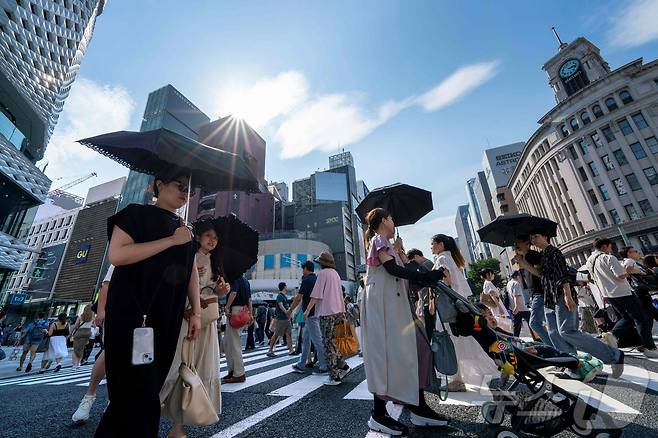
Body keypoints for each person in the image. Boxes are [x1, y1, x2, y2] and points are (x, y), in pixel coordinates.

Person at [94, 168, 200, 438]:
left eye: (189, 189)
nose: (185, 193)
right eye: (180, 185)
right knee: (134, 391)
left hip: (168, 316)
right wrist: (171, 241)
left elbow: (192, 272)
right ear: (159, 184)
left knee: (148, 388)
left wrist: (196, 311)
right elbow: (118, 255)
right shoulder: (135, 214)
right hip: (132, 313)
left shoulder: (186, 230)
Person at [362, 209, 448, 436]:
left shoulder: (388, 245)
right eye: (391, 217)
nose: (394, 221)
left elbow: (402, 277)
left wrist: (401, 253)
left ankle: (418, 406)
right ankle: (379, 414)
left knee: (419, 350)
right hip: (383, 306)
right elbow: (392, 270)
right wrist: (425, 276)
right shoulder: (378, 240)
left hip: (397, 307)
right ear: (383, 221)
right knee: (386, 357)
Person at [161, 222, 230, 437]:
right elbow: (172, 282)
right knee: (176, 364)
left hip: (207, 322)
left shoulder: (216, 263)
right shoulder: (188, 254)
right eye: (208, 236)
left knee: (196, 368)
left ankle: (178, 427)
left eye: (216, 238)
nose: (212, 240)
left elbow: (214, 293)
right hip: (187, 317)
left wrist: (221, 291)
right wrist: (190, 276)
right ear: (198, 236)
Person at [530, 230, 624, 378]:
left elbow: (563, 275)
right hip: (549, 298)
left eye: (536, 236)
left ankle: (613, 355)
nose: (533, 240)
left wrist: (568, 295)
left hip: (561, 295)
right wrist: (523, 263)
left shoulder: (555, 252)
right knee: (554, 333)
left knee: (567, 331)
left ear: (545, 236)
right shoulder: (544, 256)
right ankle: (572, 365)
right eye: (531, 238)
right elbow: (543, 276)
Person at [431, 234, 499, 392]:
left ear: (440, 244)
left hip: (449, 308)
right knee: (465, 341)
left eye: (433, 244)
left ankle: (457, 380)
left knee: (452, 342)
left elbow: (446, 282)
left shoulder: (442, 259)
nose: (431, 247)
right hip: (459, 307)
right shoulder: (451, 258)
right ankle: (462, 377)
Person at [586, 238, 658, 358]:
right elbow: (620, 275)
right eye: (610, 247)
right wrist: (631, 271)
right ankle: (649, 347)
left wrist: (603, 295)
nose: (611, 249)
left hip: (609, 294)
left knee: (628, 318)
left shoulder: (590, 261)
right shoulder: (609, 258)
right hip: (622, 292)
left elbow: (594, 279)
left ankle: (612, 334)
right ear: (604, 246)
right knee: (641, 318)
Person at [72, 265, 113, 424]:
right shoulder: (128, 243)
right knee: (109, 352)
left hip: (144, 311)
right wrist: (101, 311)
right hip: (118, 309)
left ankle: (113, 400)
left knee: (134, 358)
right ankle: (89, 396)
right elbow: (106, 284)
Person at [304, 251, 350, 386]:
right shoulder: (335, 274)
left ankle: (334, 377)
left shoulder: (323, 274)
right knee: (330, 341)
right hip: (336, 311)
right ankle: (343, 365)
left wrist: (307, 310)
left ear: (322, 263)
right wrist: (342, 311)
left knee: (327, 343)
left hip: (326, 312)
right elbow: (340, 294)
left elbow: (316, 295)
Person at [289, 260, 327, 374]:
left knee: (317, 340)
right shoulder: (316, 279)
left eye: (303, 269)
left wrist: (290, 309)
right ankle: (301, 364)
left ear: (305, 268)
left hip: (310, 314)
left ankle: (324, 365)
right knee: (305, 339)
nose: (302, 271)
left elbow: (298, 297)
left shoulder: (306, 280)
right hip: (316, 312)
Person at [514, 235, 552, 345]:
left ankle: (552, 346)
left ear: (527, 243)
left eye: (518, 243)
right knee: (548, 323)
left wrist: (523, 264)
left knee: (534, 323)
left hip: (540, 293)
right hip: (535, 294)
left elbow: (540, 273)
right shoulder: (525, 258)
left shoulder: (533, 255)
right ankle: (556, 345)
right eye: (515, 244)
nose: (516, 246)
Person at [223, 275, 253, 383]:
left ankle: (239, 373)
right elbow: (249, 299)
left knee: (233, 343)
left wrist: (227, 306)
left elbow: (233, 293)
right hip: (243, 311)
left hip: (235, 311)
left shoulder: (234, 278)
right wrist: (251, 314)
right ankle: (232, 370)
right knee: (228, 342)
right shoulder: (246, 281)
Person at [621, 246, 658, 324]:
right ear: (629, 253)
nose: (637, 253)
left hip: (639, 290)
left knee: (649, 313)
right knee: (650, 312)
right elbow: (628, 270)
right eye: (635, 251)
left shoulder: (627, 261)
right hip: (640, 289)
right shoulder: (630, 261)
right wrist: (641, 272)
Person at [266, 283, 294, 357]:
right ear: (284, 287)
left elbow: (286, 306)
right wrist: (287, 313)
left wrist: (290, 315)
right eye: (286, 285)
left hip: (286, 319)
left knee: (289, 334)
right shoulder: (280, 296)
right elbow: (281, 305)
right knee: (276, 335)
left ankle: (291, 350)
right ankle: (270, 350)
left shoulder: (284, 296)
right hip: (281, 319)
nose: (287, 287)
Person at [506, 271, 532, 337]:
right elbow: (516, 296)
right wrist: (517, 306)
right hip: (521, 308)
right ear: (517, 276)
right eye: (519, 276)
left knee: (517, 326)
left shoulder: (509, 283)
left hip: (515, 307)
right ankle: (537, 338)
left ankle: (515, 339)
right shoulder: (516, 283)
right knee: (532, 323)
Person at [70, 305, 95, 370]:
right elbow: (94, 325)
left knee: (75, 349)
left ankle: (74, 365)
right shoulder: (92, 317)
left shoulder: (80, 316)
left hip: (80, 332)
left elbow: (76, 325)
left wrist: (71, 333)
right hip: (87, 332)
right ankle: (78, 363)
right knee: (82, 348)